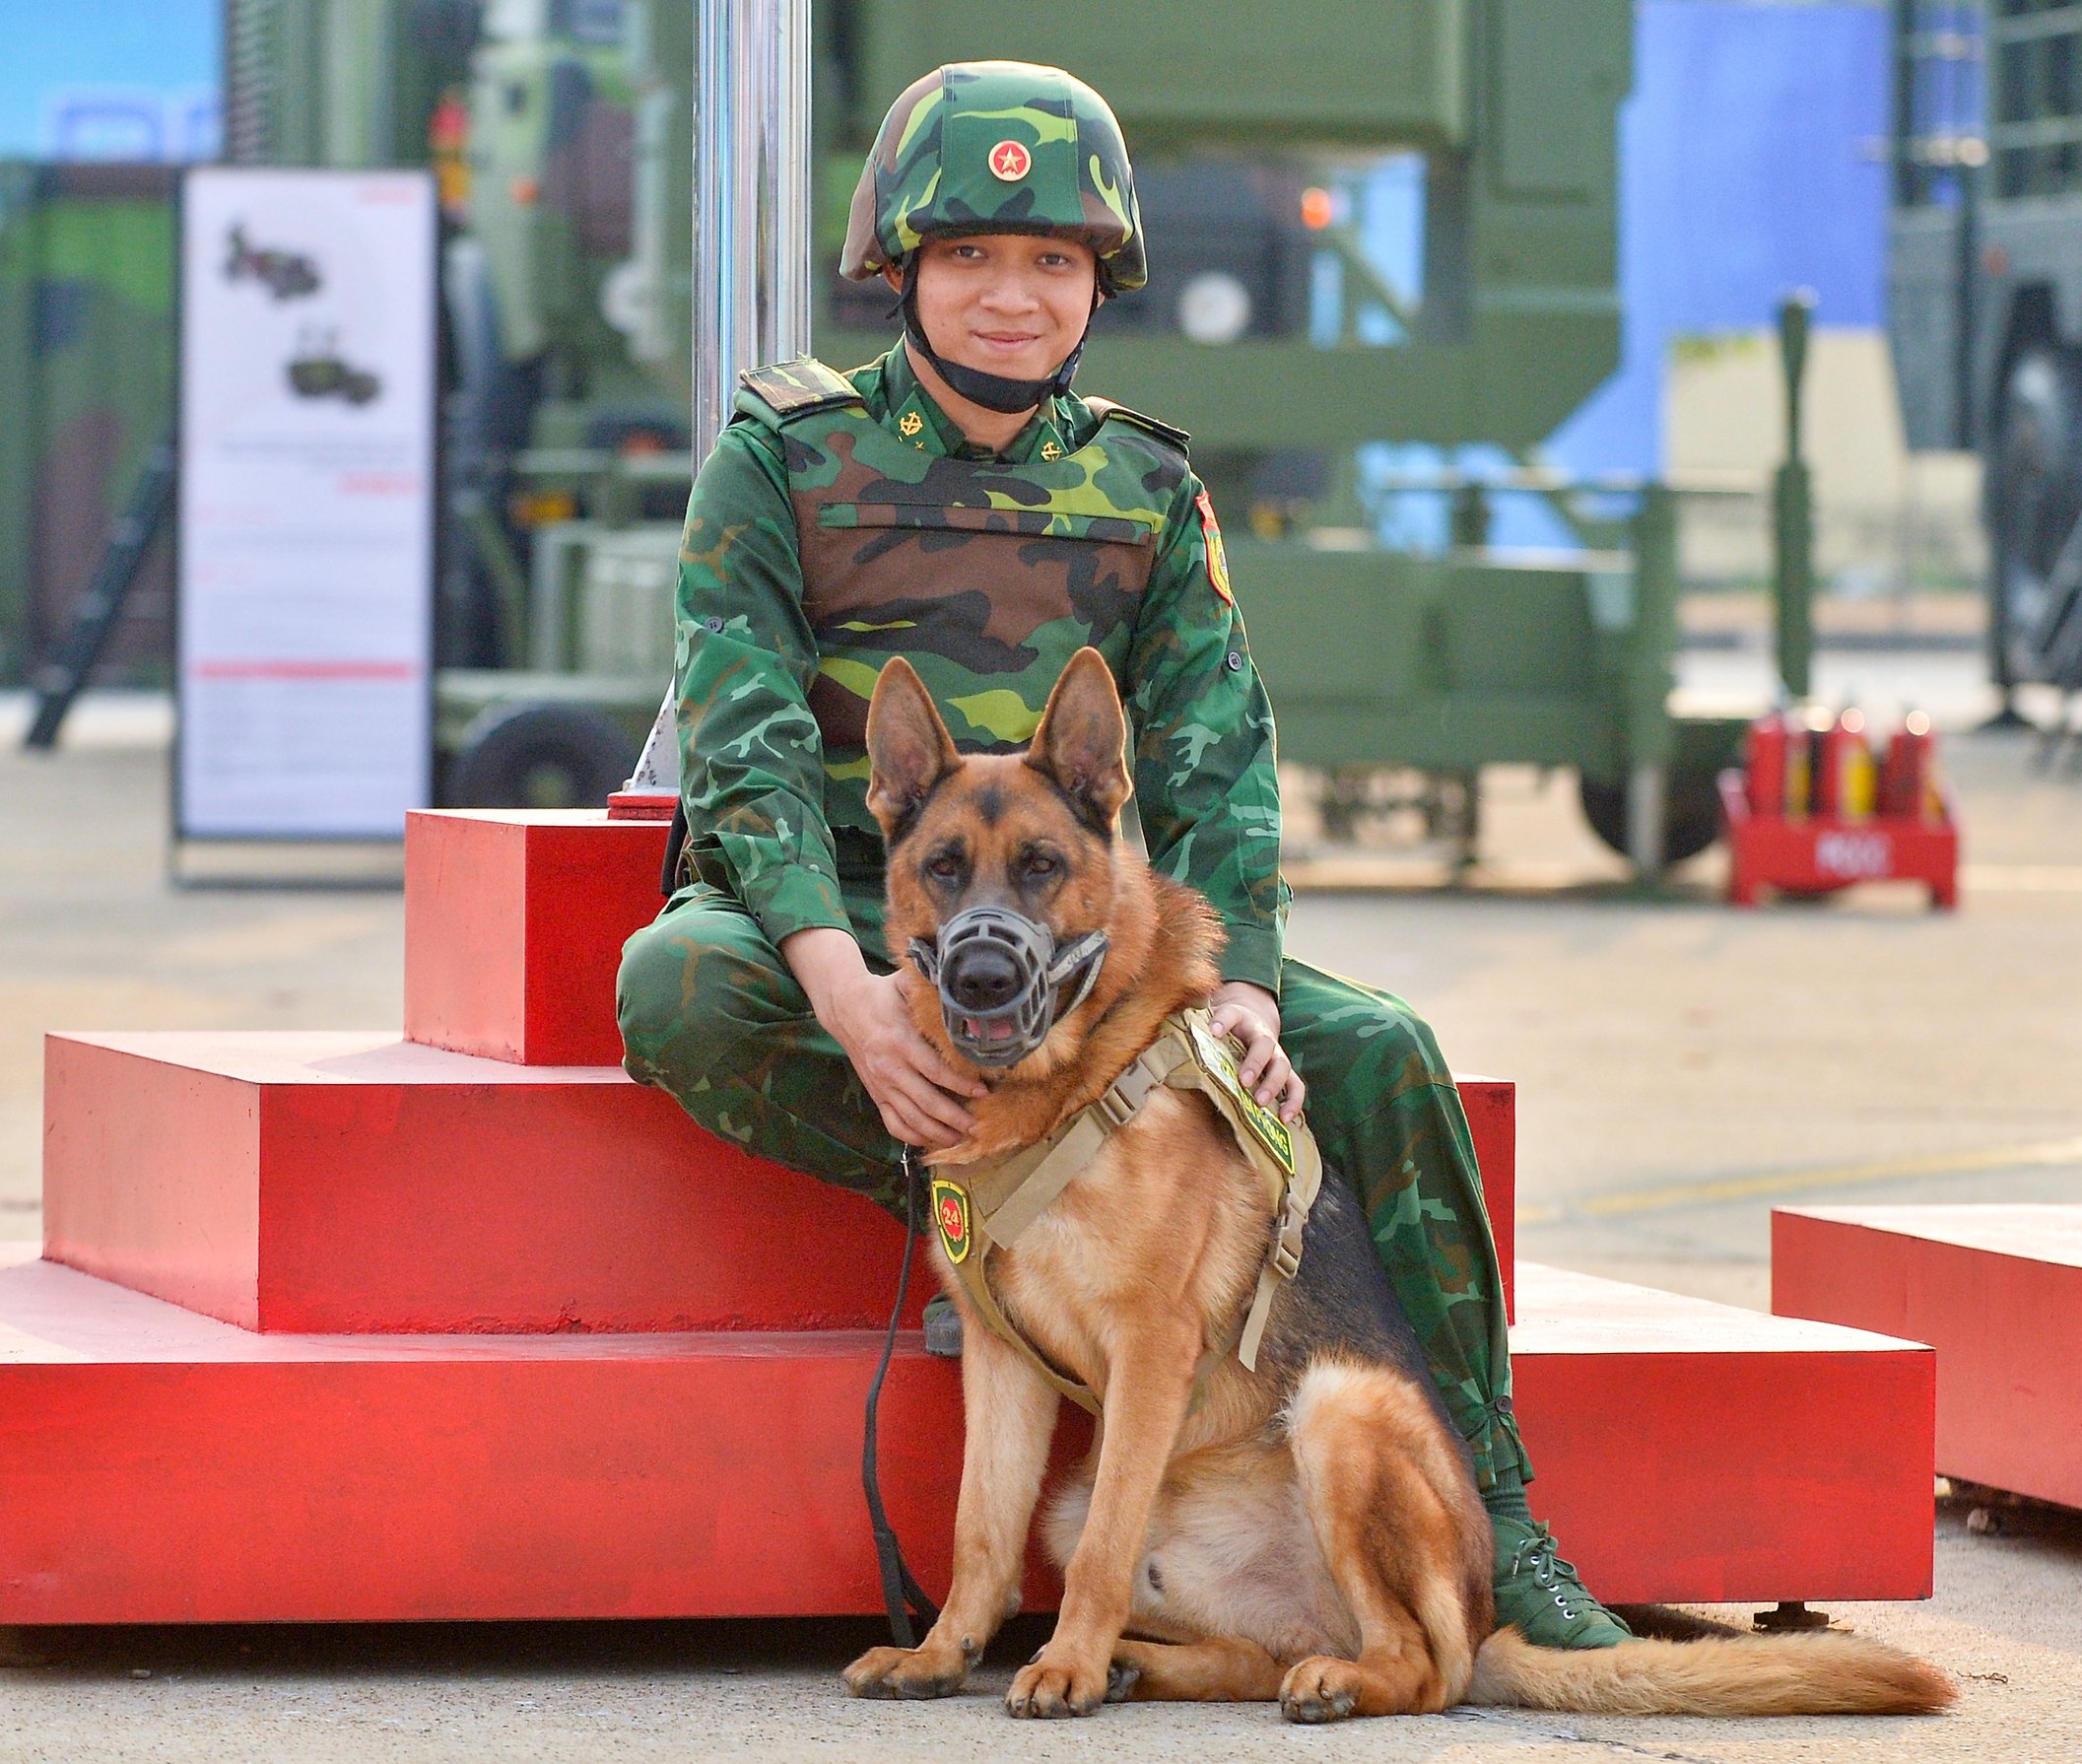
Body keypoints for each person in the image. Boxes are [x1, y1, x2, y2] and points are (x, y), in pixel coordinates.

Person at [615, 58, 1629, 1650]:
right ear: (901, 269)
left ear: (1100, 282)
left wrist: (1262, 999)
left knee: (1388, 1054)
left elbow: (1219, 743)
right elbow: (738, 742)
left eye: (1053, 261)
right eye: (969, 255)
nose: (1012, 295)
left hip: (1072, 952)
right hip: (835, 916)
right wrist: (849, 989)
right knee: (675, 987)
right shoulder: (783, 459)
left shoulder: (1146, 487)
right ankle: (1000, 1214)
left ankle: (1500, 1507)